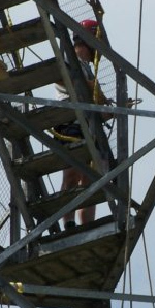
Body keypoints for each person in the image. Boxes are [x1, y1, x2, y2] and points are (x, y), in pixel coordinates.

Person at [54, 19, 103, 230]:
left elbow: (95, 96)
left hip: (86, 123)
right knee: (72, 174)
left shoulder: (88, 70)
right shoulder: (70, 58)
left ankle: (87, 225)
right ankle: (69, 223)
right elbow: (64, 80)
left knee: (89, 178)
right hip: (69, 122)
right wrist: (93, 90)